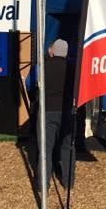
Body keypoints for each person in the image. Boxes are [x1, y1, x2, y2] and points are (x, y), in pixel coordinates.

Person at [30, 38, 75, 190]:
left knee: (45, 148)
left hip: (46, 111)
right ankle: (68, 182)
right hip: (66, 111)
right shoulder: (72, 69)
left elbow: (33, 85)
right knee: (67, 146)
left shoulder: (43, 67)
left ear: (52, 51)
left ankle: (43, 183)